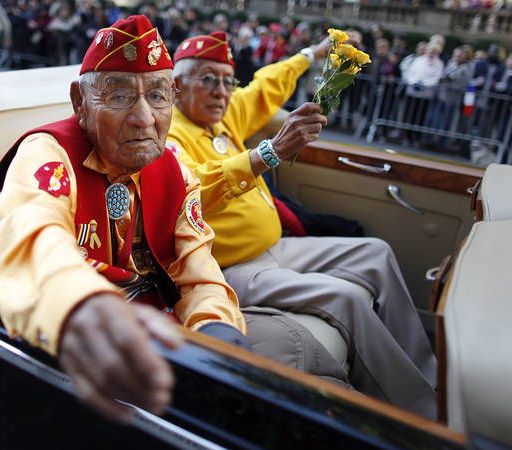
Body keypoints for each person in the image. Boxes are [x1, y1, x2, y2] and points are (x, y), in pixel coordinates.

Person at [0, 15, 249, 425]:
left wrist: (217, 331)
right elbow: (30, 231)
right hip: (73, 343)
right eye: (121, 96)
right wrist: (78, 305)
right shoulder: (49, 153)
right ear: (79, 103)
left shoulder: (176, 170)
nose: (145, 118)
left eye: (159, 96)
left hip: (161, 333)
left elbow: (198, 273)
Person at [167, 31, 437, 418]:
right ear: (177, 86)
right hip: (228, 268)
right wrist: (268, 152)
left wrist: (312, 54)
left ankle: (429, 375)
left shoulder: (223, 113)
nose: (221, 91)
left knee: (376, 252)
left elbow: (264, 87)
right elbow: (190, 187)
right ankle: (420, 414)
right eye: (208, 79)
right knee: (346, 296)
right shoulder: (170, 134)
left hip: (276, 247)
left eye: (228, 80)